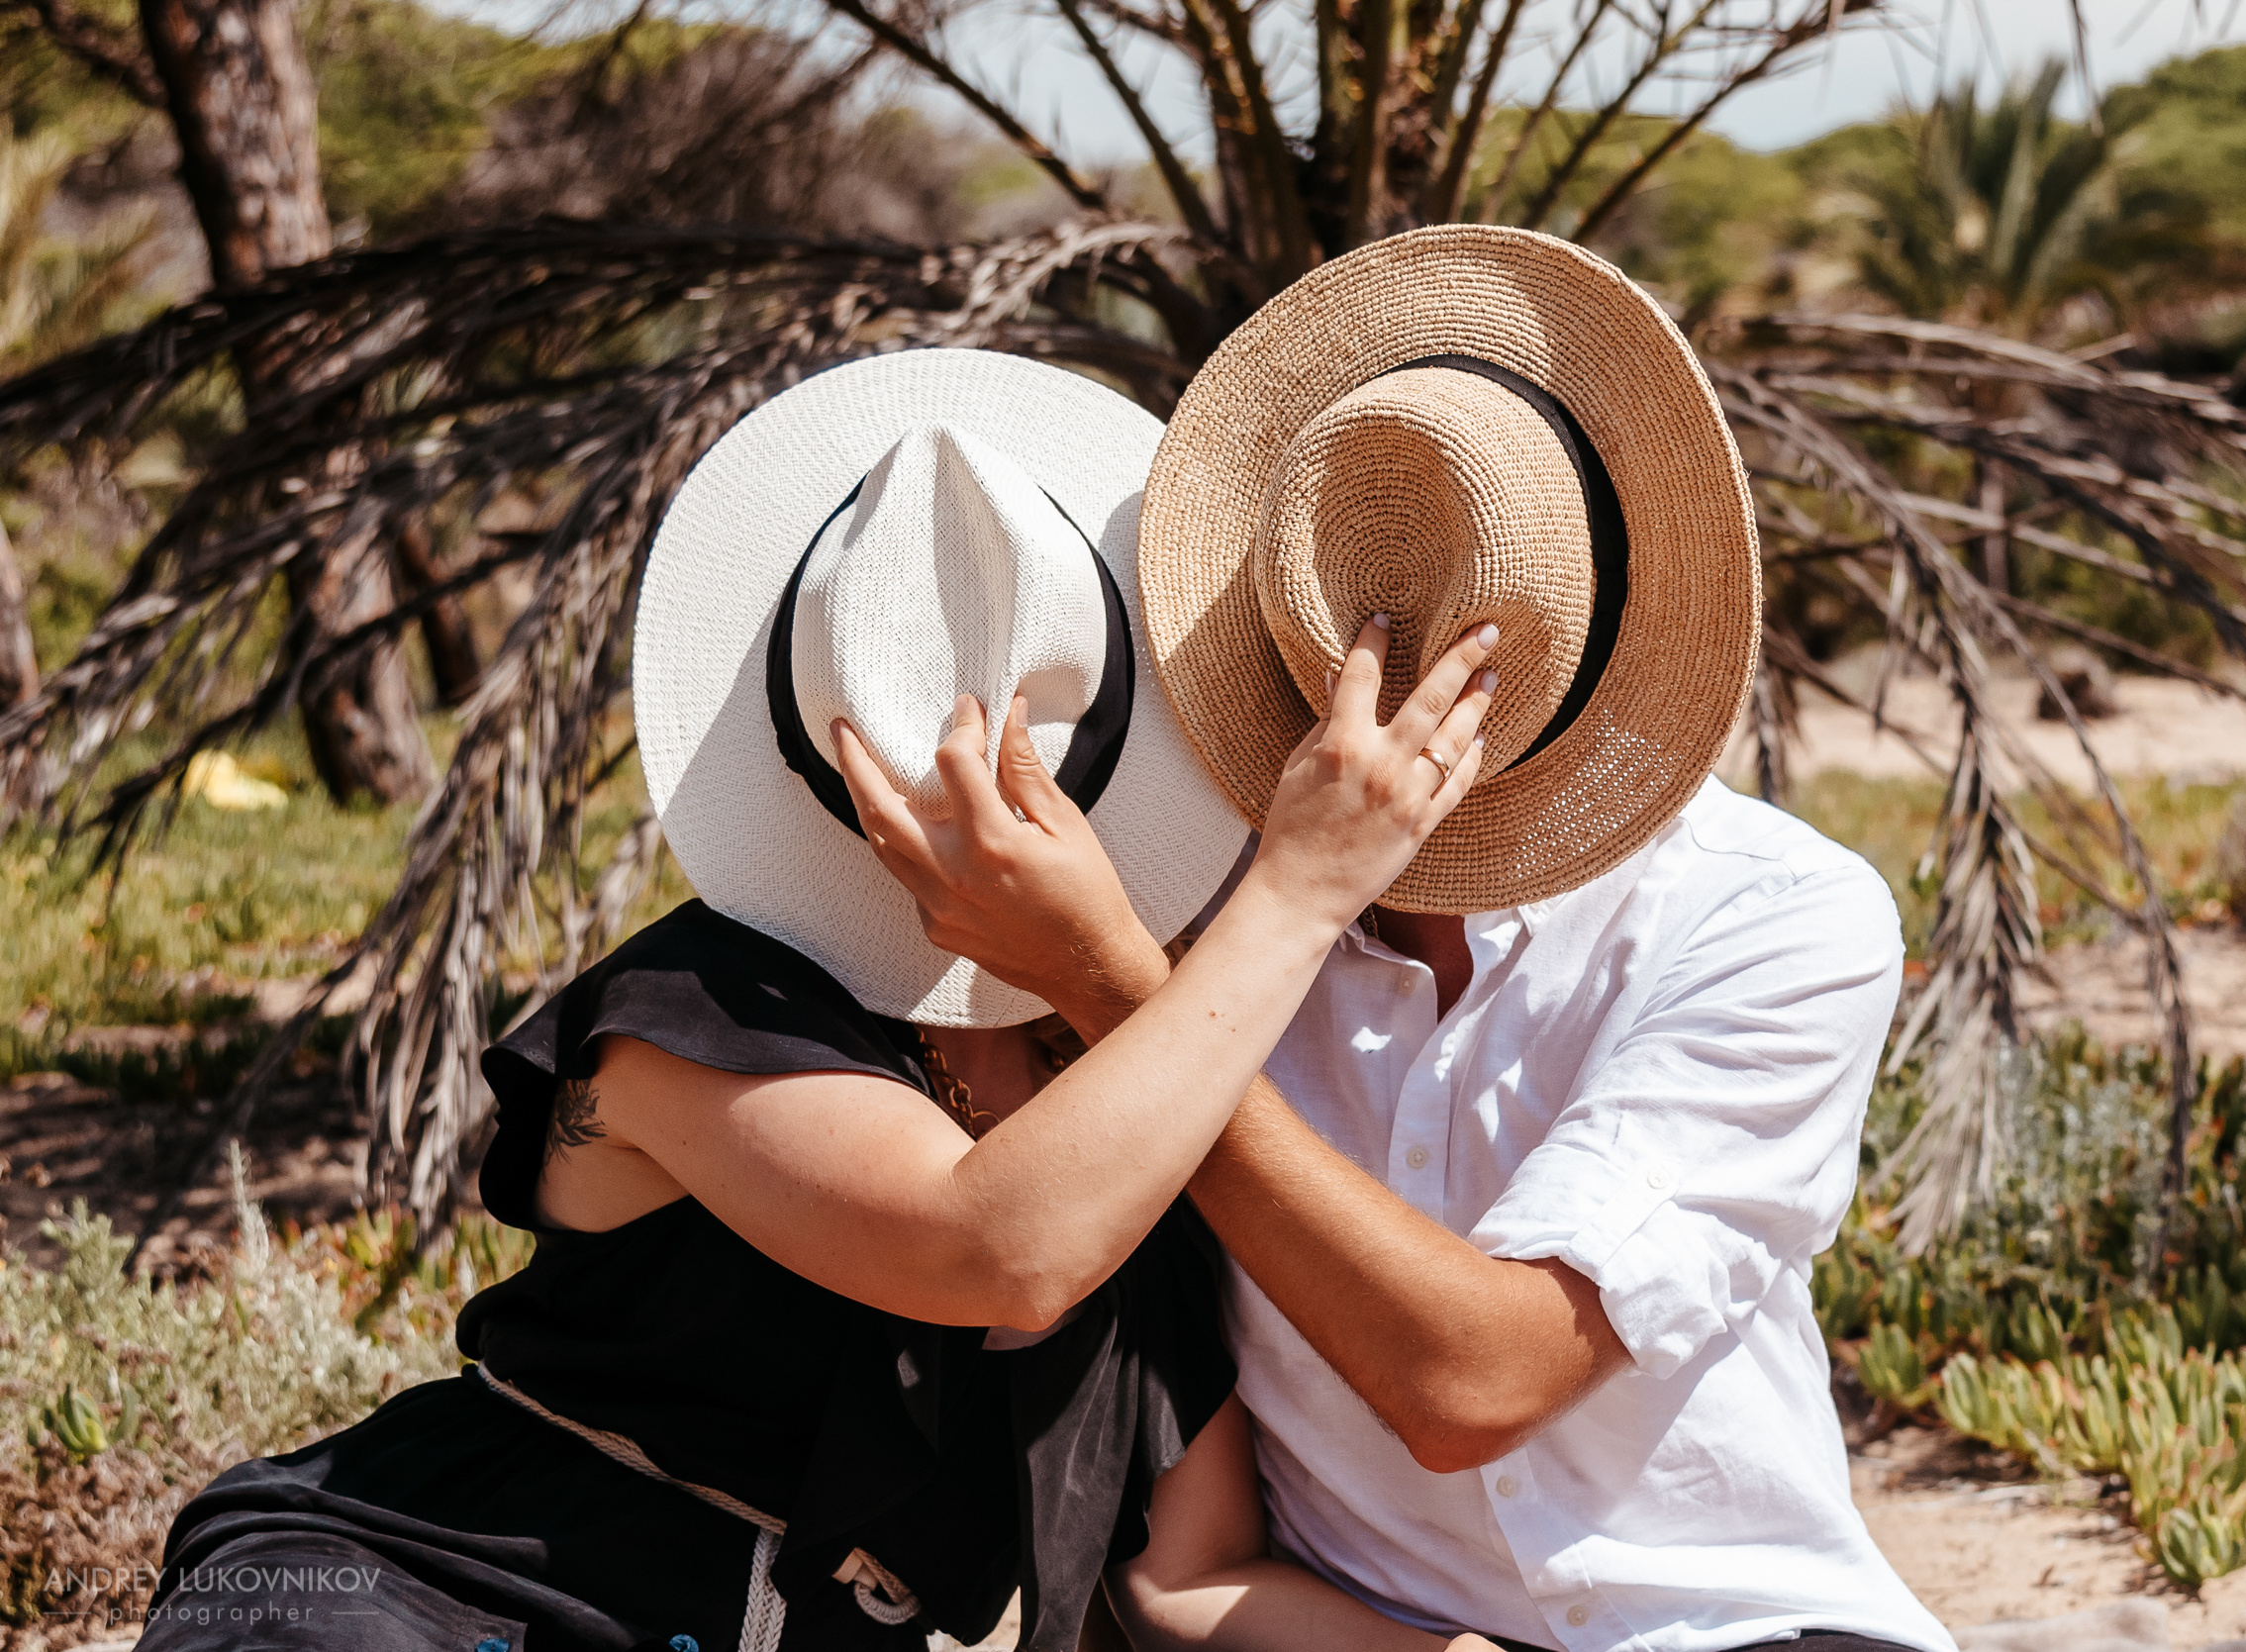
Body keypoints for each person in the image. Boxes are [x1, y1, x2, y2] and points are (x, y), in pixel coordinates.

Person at [136, 349, 1511, 1652]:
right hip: (418, 1587)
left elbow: (1189, 1571)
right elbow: (994, 1247)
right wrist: (1300, 890)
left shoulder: (1131, 1117)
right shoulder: (703, 1000)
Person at [877, 228, 1962, 1652]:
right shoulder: (1191, 908)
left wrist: (1121, 991)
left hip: (1728, 1623)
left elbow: (1477, 1379)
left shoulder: (1769, 914)